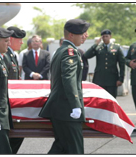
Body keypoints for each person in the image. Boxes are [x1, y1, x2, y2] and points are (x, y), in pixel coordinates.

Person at [39, 19, 90, 154]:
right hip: (67, 109)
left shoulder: (61, 50)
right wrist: (75, 104)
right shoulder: (69, 52)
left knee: (61, 148)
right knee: (75, 150)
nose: (86, 35)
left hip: (61, 108)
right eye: (82, 33)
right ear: (71, 35)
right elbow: (69, 78)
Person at [3, 26, 26, 153]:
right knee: (6, 142)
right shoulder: (5, 55)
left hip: (13, 101)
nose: (22, 42)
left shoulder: (12, 55)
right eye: (20, 39)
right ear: (11, 40)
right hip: (7, 102)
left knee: (17, 135)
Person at [84, 29, 125, 98]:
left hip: (112, 79)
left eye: (107, 36)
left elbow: (122, 64)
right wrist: (95, 44)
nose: (105, 38)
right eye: (103, 37)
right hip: (99, 79)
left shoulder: (116, 48)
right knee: (100, 100)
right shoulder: (98, 47)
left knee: (111, 99)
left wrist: (121, 79)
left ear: (110, 37)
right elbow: (86, 55)